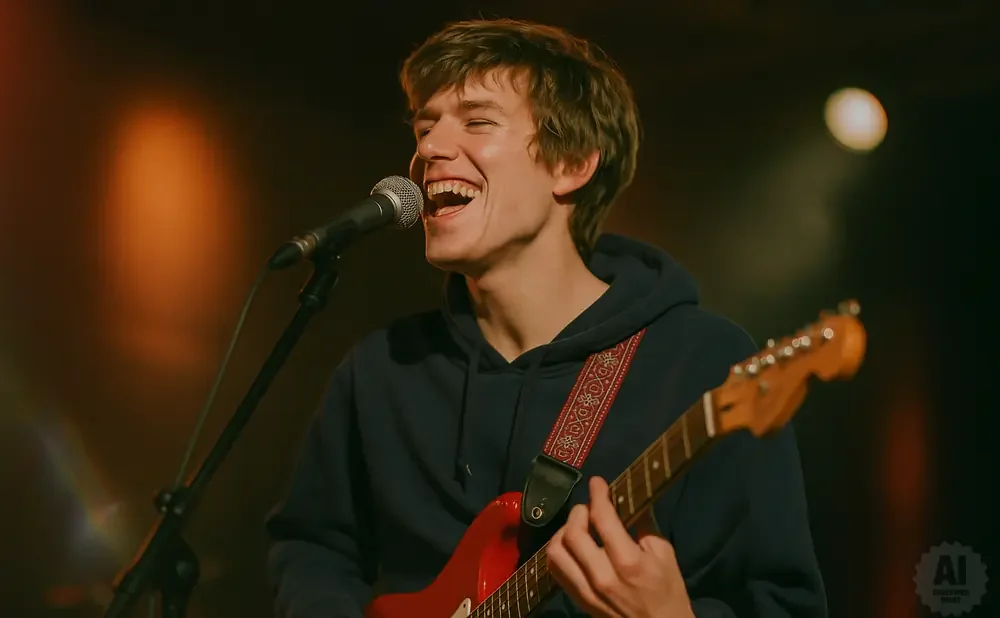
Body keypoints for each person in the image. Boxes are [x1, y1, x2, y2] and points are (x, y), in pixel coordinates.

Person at [265, 17, 827, 618]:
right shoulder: (381, 367)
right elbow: (312, 546)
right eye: (426, 126)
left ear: (573, 164)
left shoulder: (702, 363)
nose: (428, 148)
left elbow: (784, 603)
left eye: (477, 121)